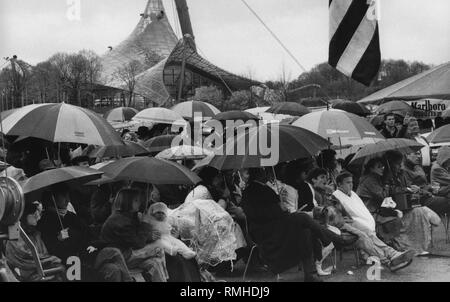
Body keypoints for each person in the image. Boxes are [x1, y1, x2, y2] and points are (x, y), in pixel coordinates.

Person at [241, 168, 357, 282]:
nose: (267, 174)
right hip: (266, 230)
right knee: (302, 217)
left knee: (305, 230)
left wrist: (280, 206)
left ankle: (310, 274)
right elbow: (255, 214)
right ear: (258, 173)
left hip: (277, 224)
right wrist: (278, 208)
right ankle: (336, 239)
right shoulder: (250, 191)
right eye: (263, 171)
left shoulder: (264, 188)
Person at [331, 172, 416, 271]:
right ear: (339, 184)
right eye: (347, 182)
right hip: (347, 225)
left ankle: (391, 257)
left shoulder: (352, 194)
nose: (351, 185)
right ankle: (391, 255)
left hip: (358, 223)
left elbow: (361, 210)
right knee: (367, 234)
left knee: (369, 235)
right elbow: (340, 216)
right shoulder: (336, 196)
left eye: (352, 182)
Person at [100, 188, 169, 282]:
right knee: (158, 249)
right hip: (121, 257)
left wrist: (148, 235)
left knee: (155, 263)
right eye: (136, 200)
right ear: (127, 202)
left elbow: (135, 236)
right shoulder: (119, 220)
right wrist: (145, 222)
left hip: (128, 252)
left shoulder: (128, 216)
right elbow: (138, 243)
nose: (139, 203)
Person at [383, 150, 441, 254]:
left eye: (401, 164)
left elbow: (406, 187)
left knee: (420, 211)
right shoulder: (385, 176)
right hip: (391, 207)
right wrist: (406, 189)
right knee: (418, 212)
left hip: (405, 205)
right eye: (397, 164)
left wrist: (411, 188)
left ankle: (420, 246)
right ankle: (409, 246)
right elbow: (389, 192)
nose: (400, 166)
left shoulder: (401, 173)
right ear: (391, 164)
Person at [5, 202, 66, 281]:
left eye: (41, 213)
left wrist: (58, 239)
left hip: (38, 268)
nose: (38, 217)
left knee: (60, 269)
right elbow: (21, 254)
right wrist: (50, 259)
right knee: (60, 268)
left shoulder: (35, 233)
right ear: (26, 214)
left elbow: (45, 252)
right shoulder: (14, 230)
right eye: (36, 213)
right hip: (26, 271)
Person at [37, 186, 91, 263]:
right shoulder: (45, 220)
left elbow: (85, 233)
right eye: (64, 196)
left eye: (68, 196)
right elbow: (47, 246)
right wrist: (58, 239)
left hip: (82, 256)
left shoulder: (71, 216)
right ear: (53, 198)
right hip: (64, 262)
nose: (68, 200)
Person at [404, 150, 450, 215]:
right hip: (420, 199)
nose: (419, 156)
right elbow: (410, 191)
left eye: (419, 154)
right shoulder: (404, 171)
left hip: (429, 193)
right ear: (407, 155)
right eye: (416, 154)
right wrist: (425, 191)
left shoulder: (418, 167)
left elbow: (427, 184)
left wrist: (433, 188)